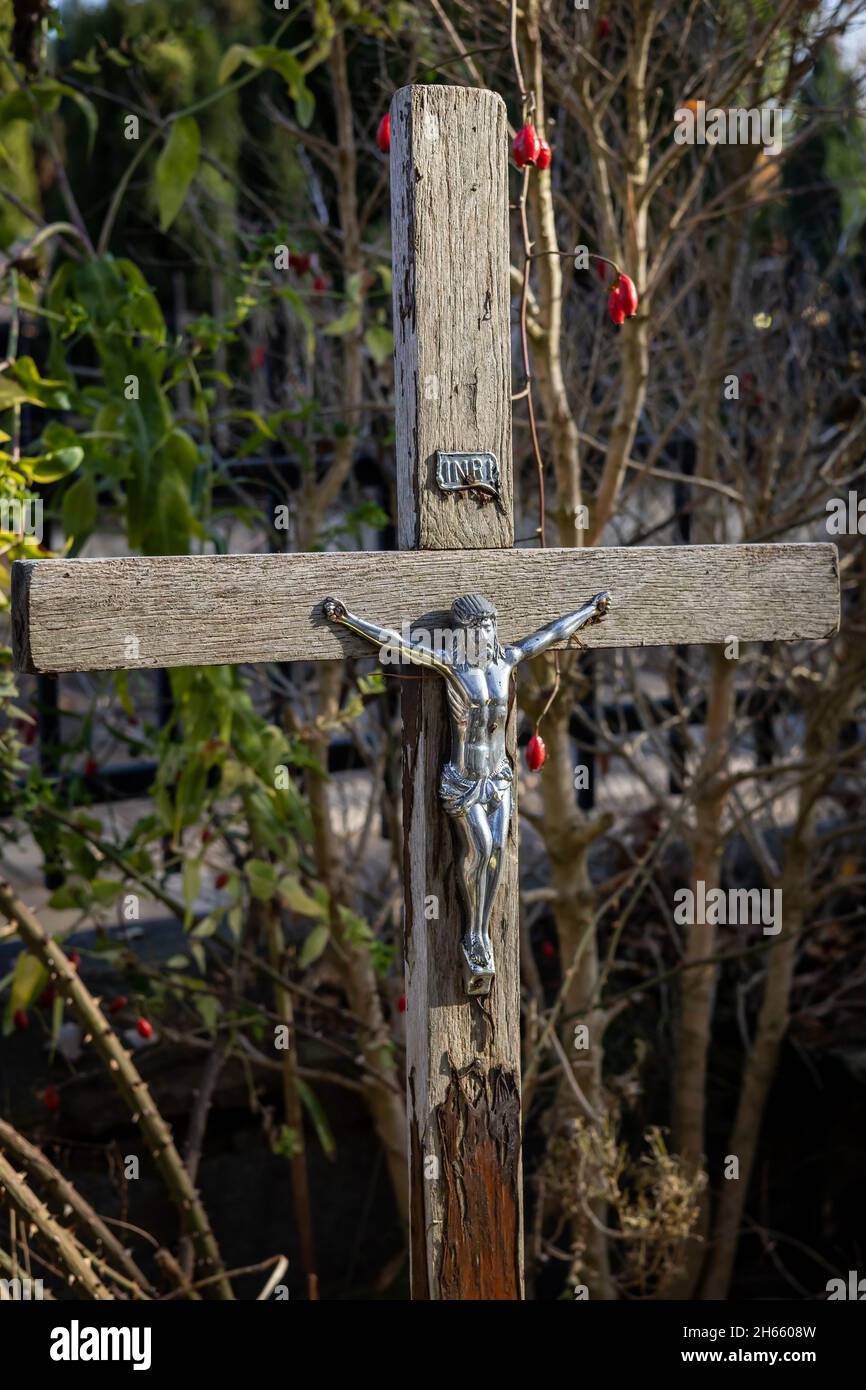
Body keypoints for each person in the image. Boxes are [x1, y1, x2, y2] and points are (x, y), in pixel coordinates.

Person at [323, 589, 610, 993]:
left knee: (498, 854)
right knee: (479, 850)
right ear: (463, 635)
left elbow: (550, 634)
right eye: (479, 628)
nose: (488, 633)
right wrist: (347, 619)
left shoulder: (507, 661)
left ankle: (481, 933)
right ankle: (474, 937)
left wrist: (587, 611)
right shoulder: (453, 666)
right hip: (464, 780)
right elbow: (397, 643)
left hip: (500, 777)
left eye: (490, 625)